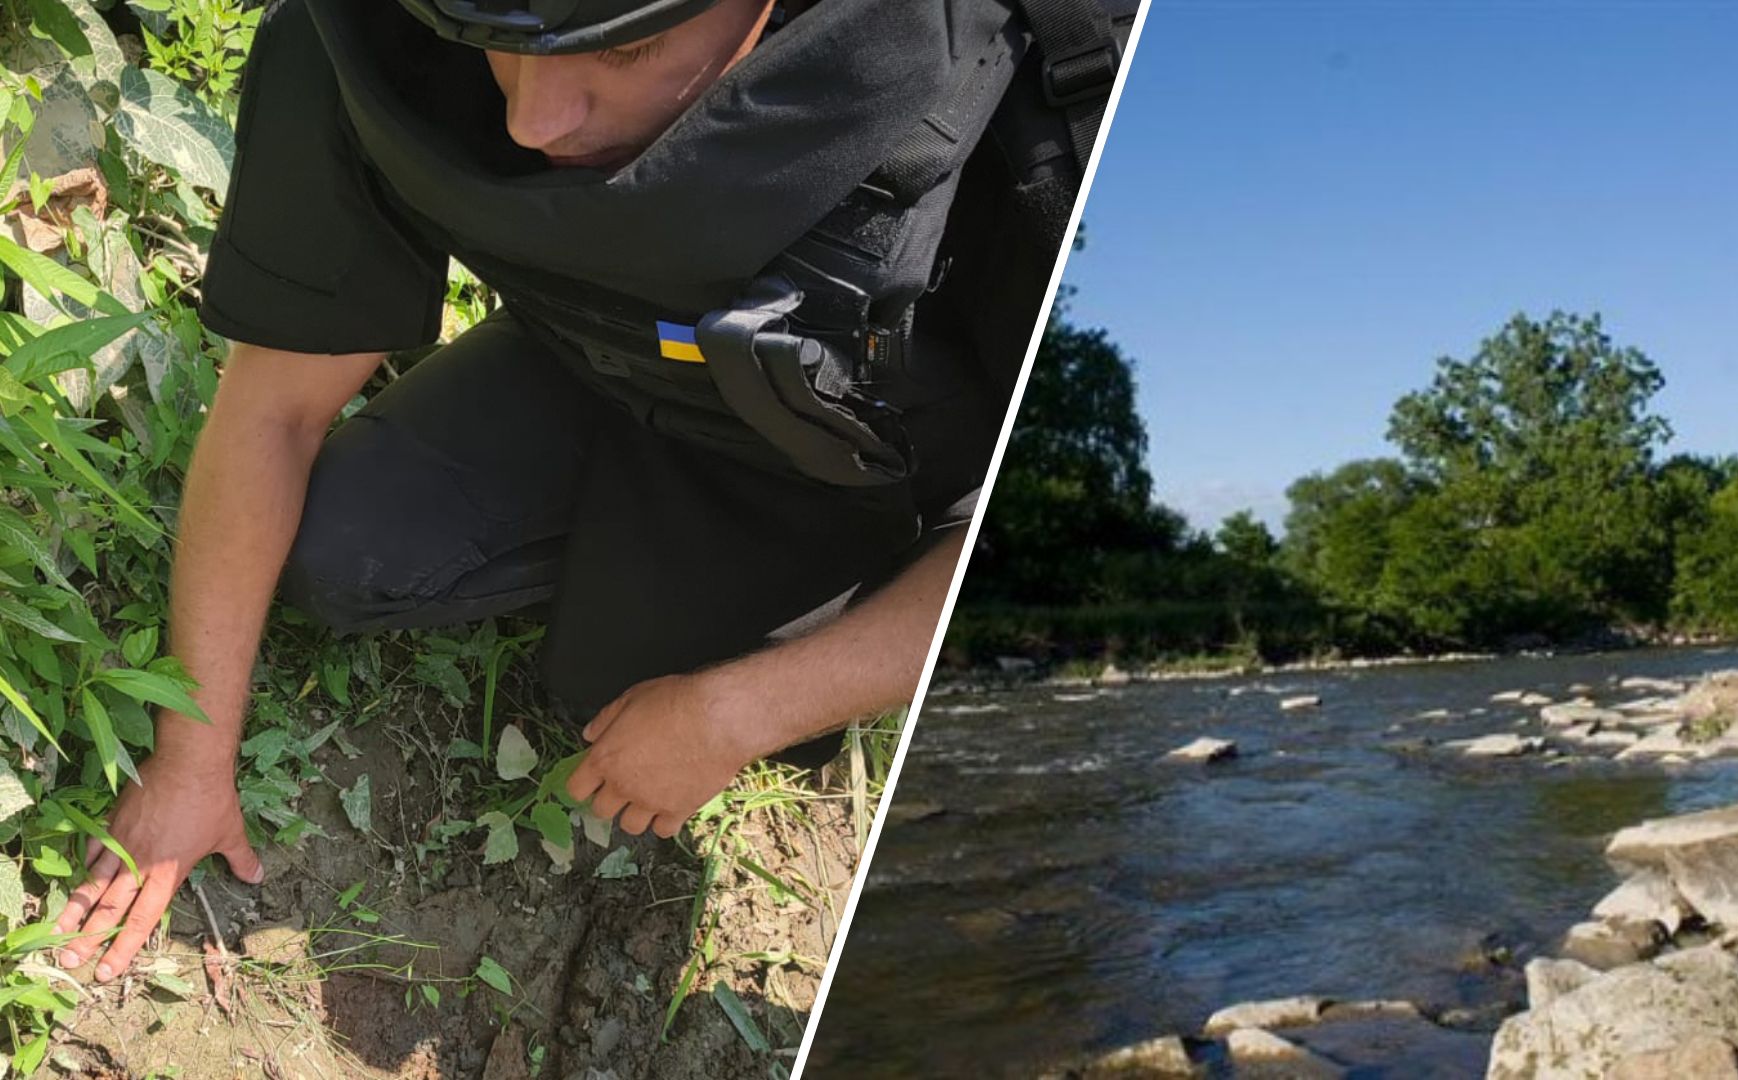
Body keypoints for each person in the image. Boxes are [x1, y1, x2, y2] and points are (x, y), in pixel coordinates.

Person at [50, 0, 1131, 985]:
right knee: (343, 551)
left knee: (628, 700)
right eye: (497, 47)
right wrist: (190, 757)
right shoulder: (377, 35)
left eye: (622, 49)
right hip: (602, 361)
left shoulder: (1053, 103)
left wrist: (736, 712)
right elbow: (273, 413)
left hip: (853, 471)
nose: (536, 121)